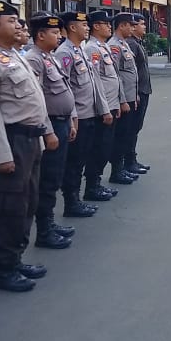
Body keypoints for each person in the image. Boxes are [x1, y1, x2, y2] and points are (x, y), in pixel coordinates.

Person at [0, 0, 58, 292]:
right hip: (12, 141)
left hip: (30, 139)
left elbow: (36, 100)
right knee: (10, 207)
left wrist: (45, 132)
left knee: (27, 203)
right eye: (11, 20)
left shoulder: (14, 56)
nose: (18, 25)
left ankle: (16, 260)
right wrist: (0, 156)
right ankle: (4, 269)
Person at [25, 13, 77, 251]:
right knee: (47, 179)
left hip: (62, 122)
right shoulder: (34, 60)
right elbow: (37, 100)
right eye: (54, 33)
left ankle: (50, 223)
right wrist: (48, 131)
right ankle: (44, 230)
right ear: (40, 35)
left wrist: (71, 119)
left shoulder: (50, 57)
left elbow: (64, 88)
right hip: (51, 125)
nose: (59, 36)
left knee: (55, 177)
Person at [55, 11, 100, 216]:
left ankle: (77, 199)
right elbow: (65, 88)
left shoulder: (79, 50)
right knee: (73, 163)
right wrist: (72, 118)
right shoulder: (64, 53)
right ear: (72, 27)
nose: (88, 28)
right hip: (77, 117)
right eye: (84, 25)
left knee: (82, 159)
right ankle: (71, 202)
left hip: (88, 113)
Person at [84, 12, 121, 198]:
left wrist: (118, 102)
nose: (109, 27)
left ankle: (96, 183)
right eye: (105, 24)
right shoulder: (92, 49)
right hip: (102, 108)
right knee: (99, 148)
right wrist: (105, 109)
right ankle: (92, 186)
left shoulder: (103, 46)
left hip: (112, 104)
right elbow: (96, 81)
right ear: (96, 26)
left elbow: (114, 77)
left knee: (106, 147)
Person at [107, 13, 144, 181]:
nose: (133, 28)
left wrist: (134, 95)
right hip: (123, 100)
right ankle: (117, 170)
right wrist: (122, 100)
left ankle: (122, 167)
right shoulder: (114, 46)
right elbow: (116, 75)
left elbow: (130, 72)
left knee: (127, 133)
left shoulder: (123, 44)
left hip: (130, 97)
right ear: (122, 26)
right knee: (120, 136)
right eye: (130, 25)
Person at [126, 14, 153, 168]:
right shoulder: (131, 44)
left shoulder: (137, 42)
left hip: (143, 90)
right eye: (142, 24)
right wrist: (134, 92)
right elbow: (130, 72)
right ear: (133, 26)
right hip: (137, 92)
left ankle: (132, 160)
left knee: (136, 127)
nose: (144, 26)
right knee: (131, 128)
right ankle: (128, 161)